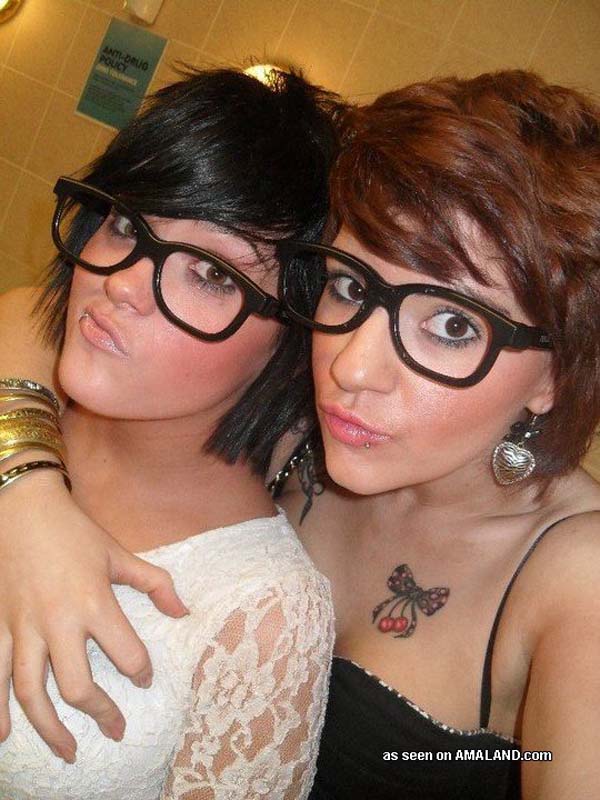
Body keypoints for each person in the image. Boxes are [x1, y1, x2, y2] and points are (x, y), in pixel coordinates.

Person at [2, 69, 600, 800]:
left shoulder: (577, 578)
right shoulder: (315, 433)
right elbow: (36, 315)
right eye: (351, 286)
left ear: (558, 373)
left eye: (451, 325)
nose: (352, 366)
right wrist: (26, 491)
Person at [0, 65, 340, 799]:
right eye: (128, 224)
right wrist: (24, 492)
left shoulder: (264, 616)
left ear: (294, 338)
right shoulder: (22, 396)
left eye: (210, 274)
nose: (120, 282)